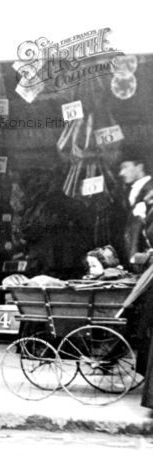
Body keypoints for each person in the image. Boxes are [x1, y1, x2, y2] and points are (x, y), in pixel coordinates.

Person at [118, 147, 153, 410]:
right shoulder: (136, 193)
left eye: (125, 166)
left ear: (139, 166)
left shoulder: (149, 192)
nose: (121, 172)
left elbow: (143, 231)